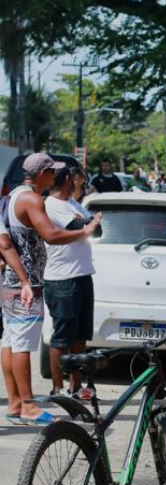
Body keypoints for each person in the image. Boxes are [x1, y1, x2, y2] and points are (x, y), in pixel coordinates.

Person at [2, 154, 100, 426]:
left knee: (10, 341)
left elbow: (7, 243)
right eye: (51, 172)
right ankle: (28, 407)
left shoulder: (12, 196)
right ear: (42, 173)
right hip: (27, 283)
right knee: (22, 344)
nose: (54, 177)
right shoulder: (32, 199)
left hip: (13, 280)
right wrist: (86, 230)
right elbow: (52, 236)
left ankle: (14, 403)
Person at [43, 166, 98, 399]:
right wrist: (88, 224)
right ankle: (57, 388)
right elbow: (80, 228)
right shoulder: (52, 205)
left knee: (80, 335)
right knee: (62, 337)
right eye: (77, 180)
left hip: (83, 275)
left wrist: (89, 224)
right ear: (68, 179)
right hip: (61, 279)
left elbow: (96, 230)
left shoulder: (74, 204)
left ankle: (75, 387)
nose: (79, 184)